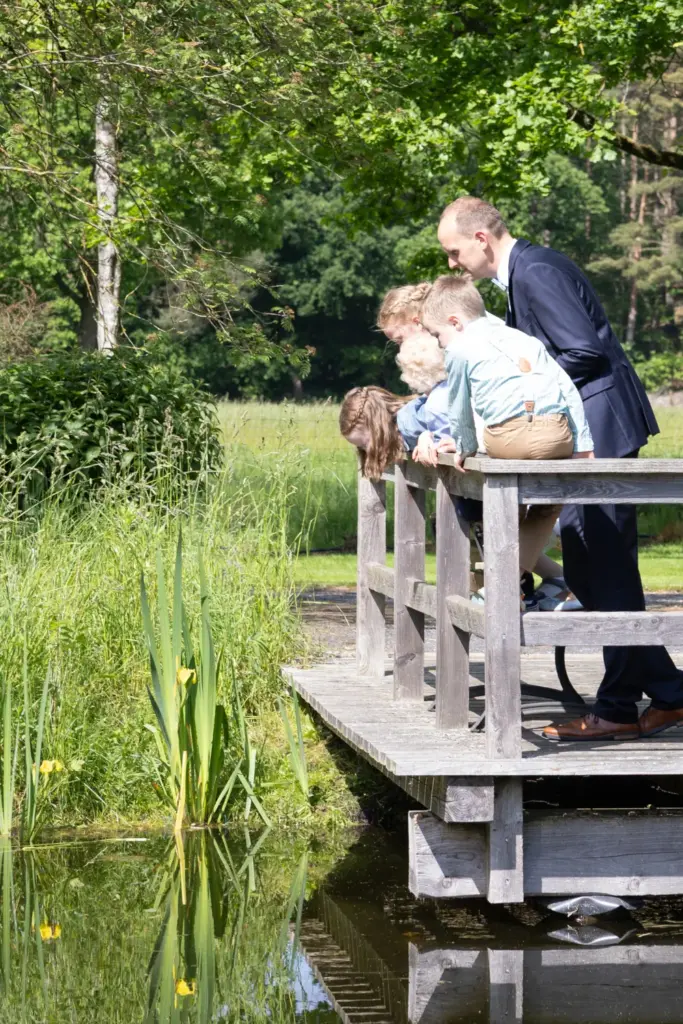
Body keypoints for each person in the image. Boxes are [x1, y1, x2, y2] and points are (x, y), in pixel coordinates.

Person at [437, 195, 683, 740]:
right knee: (595, 567)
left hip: (601, 432)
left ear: (480, 239)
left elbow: (582, 353)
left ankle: (620, 709)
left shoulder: (535, 273)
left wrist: (522, 392)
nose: (453, 263)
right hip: (592, 432)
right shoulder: (530, 271)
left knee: (604, 568)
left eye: (455, 251)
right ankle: (668, 692)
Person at [378, 281, 571, 599]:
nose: (400, 350)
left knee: (500, 532)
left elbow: (465, 406)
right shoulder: (461, 344)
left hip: (511, 444)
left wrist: (444, 436)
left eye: (399, 340)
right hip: (505, 446)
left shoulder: (466, 346)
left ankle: (523, 589)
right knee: (496, 534)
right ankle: (540, 585)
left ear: (420, 323)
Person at [419, 275, 594, 577]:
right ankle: (513, 579)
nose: (439, 342)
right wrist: (582, 446)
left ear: (455, 322)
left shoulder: (459, 351)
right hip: (557, 436)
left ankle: (501, 581)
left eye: (437, 335)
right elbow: (567, 389)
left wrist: (465, 447)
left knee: (508, 504)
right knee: (550, 503)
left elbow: (458, 405)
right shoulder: (525, 340)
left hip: (507, 439)